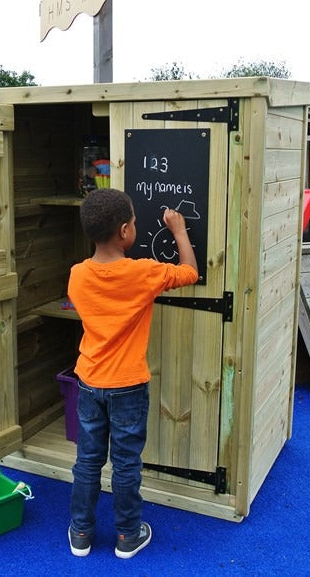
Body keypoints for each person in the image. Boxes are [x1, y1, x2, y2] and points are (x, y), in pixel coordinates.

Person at [67, 188, 198, 559]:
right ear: (125, 231)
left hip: (90, 381)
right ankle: (127, 536)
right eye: (136, 223)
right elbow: (190, 272)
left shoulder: (77, 275)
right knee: (126, 463)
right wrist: (179, 230)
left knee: (88, 460)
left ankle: (81, 533)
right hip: (128, 386)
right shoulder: (143, 273)